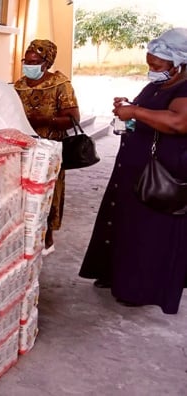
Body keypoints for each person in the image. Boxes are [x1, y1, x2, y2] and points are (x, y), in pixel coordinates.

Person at [79, 28, 187, 314]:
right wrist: (128, 106)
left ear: (179, 63)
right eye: (149, 64)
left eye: (157, 65)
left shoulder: (184, 88)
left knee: (148, 232)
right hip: (133, 168)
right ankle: (114, 274)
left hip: (160, 172)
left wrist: (136, 113)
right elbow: (147, 110)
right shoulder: (159, 86)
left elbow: (179, 122)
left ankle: (139, 288)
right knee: (124, 223)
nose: (151, 70)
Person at [14, 39, 81, 255]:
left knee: (49, 191)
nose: (29, 65)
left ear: (46, 62)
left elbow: (73, 118)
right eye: (27, 60)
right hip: (24, 147)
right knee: (25, 191)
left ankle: (47, 237)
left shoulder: (60, 84)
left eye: (35, 61)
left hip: (50, 149)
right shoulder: (19, 85)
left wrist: (44, 120)